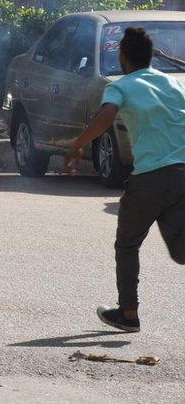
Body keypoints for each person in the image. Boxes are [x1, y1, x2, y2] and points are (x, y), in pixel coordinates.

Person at [64, 27, 185, 333]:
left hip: (151, 178)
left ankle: (128, 315)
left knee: (128, 244)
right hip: (182, 174)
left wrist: (77, 145)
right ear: (150, 56)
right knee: (181, 250)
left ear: (122, 57)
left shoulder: (121, 86)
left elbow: (106, 116)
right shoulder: (173, 84)